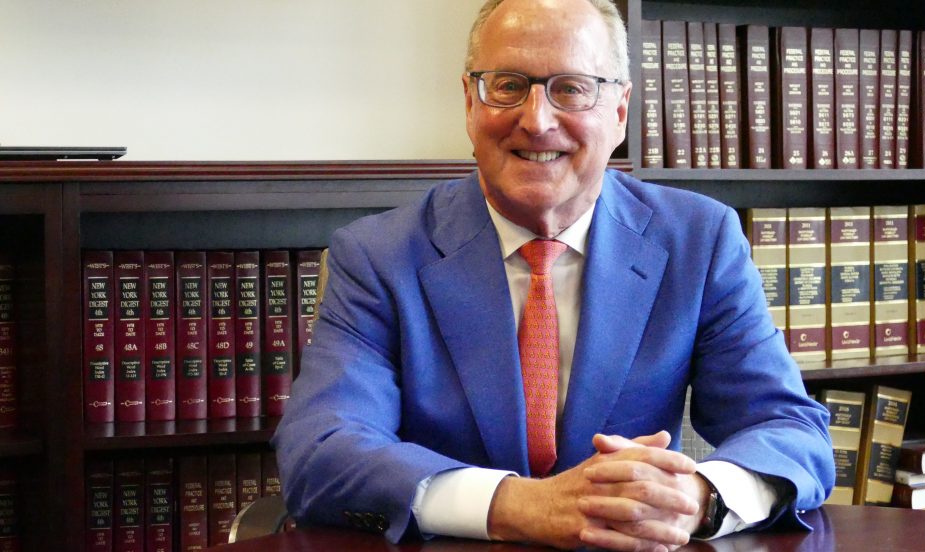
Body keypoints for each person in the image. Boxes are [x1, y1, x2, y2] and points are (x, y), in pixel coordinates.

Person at [272, 0, 835, 550]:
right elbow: (320, 449)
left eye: (571, 88)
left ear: (619, 112)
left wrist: (696, 498)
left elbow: (789, 429)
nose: (536, 120)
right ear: (470, 102)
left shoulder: (698, 240)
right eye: (508, 85)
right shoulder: (377, 255)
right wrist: (521, 507)